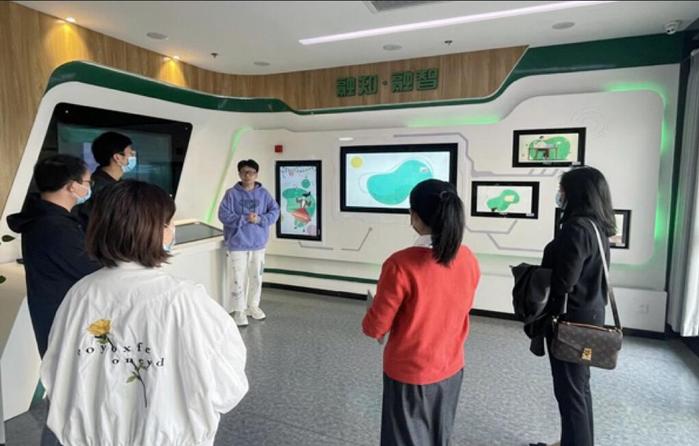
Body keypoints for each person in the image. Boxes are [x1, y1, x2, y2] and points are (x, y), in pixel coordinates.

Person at [40, 180, 248, 446]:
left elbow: (55, 373)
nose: (172, 230)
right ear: (154, 230)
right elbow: (227, 385)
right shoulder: (184, 299)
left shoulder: (80, 294)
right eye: (168, 223)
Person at [362, 179, 480, 446]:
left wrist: (371, 312)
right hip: (451, 367)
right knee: (440, 436)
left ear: (414, 216)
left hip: (410, 373)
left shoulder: (400, 264)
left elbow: (375, 327)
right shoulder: (467, 257)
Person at [536, 166, 616, 446]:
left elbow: (564, 282)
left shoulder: (577, 228)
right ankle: (575, 440)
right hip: (589, 314)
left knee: (570, 390)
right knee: (579, 386)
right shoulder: (596, 226)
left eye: (563, 189)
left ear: (577, 193)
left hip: (571, 320)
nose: (560, 195)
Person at [6, 154, 101, 357]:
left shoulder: (44, 217)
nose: (89, 188)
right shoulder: (56, 226)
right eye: (87, 182)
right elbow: (92, 271)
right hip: (66, 320)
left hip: (55, 315)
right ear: (72, 186)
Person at [218, 159, 280, 327]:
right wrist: (244, 219)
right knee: (238, 278)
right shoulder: (231, 194)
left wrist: (259, 219)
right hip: (237, 244)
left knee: (256, 277)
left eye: (251, 172)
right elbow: (223, 215)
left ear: (256, 175)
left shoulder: (264, 194)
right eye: (244, 172)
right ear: (239, 174)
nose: (247, 175)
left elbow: (275, 212)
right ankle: (239, 310)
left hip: (258, 244)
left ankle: (253, 306)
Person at [74, 131, 136, 227]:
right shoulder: (98, 187)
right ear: (117, 157)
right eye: (130, 153)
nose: (133, 155)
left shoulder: (118, 184)